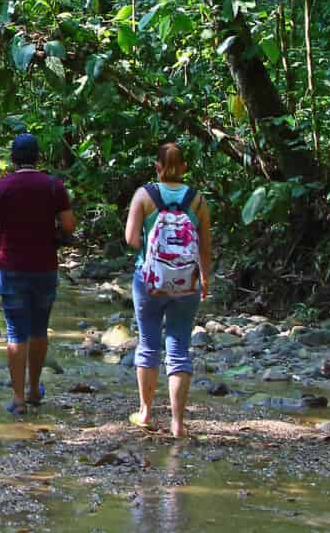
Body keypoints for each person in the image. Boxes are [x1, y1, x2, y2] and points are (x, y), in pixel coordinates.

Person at [0, 133, 76, 415]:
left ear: (12, 158)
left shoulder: (2, 187)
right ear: (37, 157)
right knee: (38, 328)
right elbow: (69, 225)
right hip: (45, 266)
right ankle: (35, 388)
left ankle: (18, 398)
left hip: (12, 267)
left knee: (15, 331)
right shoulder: (53, 185)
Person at [124, 142, 212, 438]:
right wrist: (206, 278)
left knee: (148, 344)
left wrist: (149, 248)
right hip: (187, 282)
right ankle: (177, 423)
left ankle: (146, 413)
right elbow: (205, 245)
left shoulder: (144, 195)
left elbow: (130, 239)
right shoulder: (196, 199)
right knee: (179, 348)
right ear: (184, 167)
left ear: (157, 166)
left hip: (149, 281)